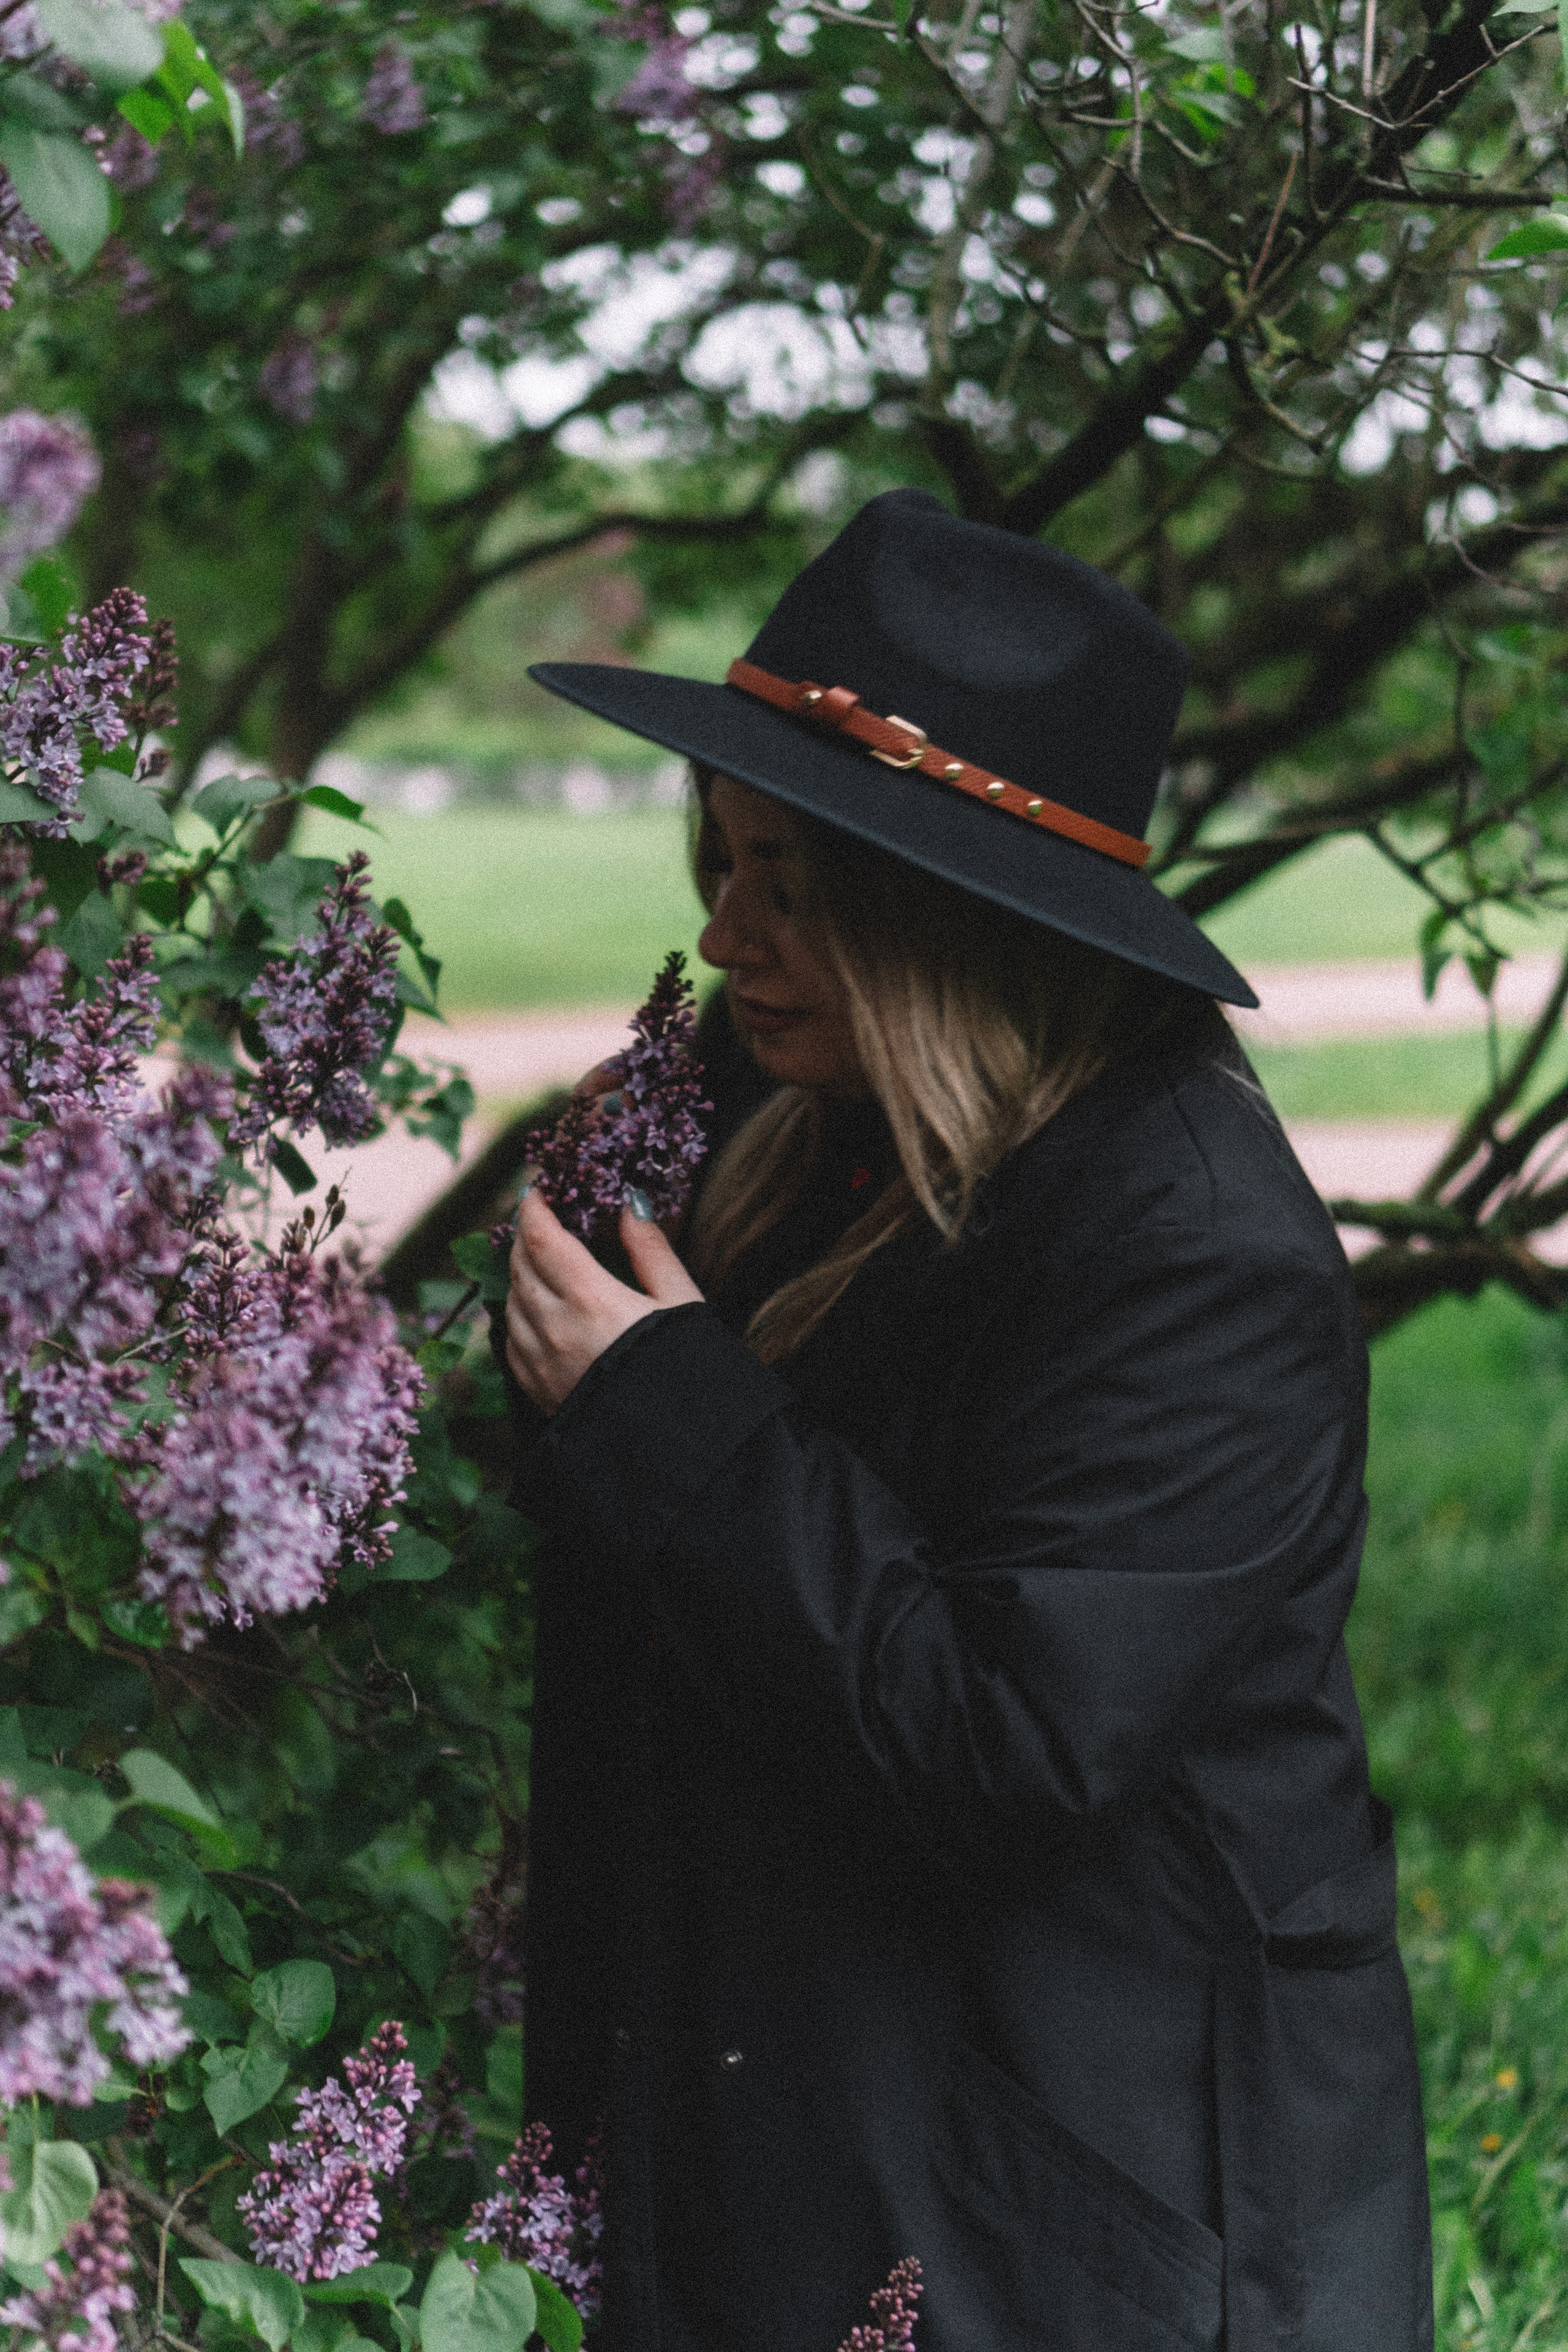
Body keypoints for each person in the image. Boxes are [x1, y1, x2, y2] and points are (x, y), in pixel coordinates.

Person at [499, 489, 1433, 2352]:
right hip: (796, 2107)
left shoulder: (1193, 1245)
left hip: (1084, 2199)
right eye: (723, 854)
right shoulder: (782, 1110)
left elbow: (1010, 1742)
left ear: (951, 925)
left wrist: (667, 1414)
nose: (722, 929)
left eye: (793, 883)